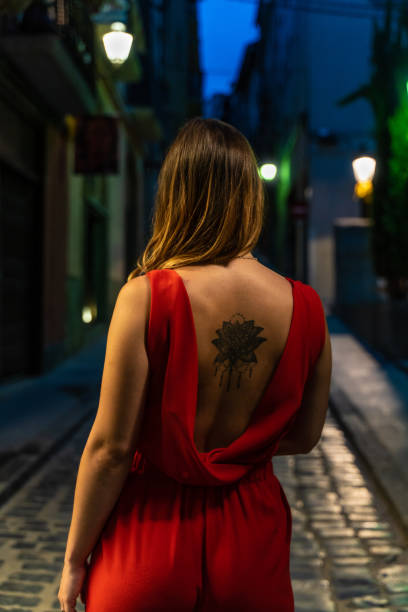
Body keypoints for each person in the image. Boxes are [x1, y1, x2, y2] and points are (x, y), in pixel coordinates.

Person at [57, 117, 332, 611]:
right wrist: (238, 457)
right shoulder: (306, 308)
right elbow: (305, 435)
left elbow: (110, 450)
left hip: (148, 536)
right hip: (251, 538)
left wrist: (76, 558)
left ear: (176, 194)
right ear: (251, 195)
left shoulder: (145, 296)